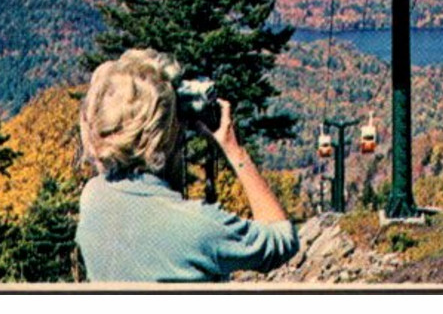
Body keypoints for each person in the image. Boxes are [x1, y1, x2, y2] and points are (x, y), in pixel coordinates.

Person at [75, 49, 300, 282]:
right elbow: (282, 239)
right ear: (164, 133)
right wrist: (235, 149)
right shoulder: (200, 228)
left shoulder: (93, 197)